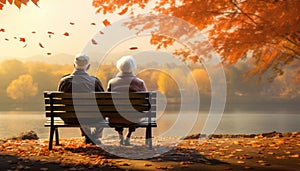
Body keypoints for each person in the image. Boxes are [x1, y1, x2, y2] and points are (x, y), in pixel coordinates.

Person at [58, 54, 104, 145]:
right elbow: (103, 101)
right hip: (92, 118)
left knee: (78, 111)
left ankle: (88, 136)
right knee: (103, 111)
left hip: (70, 118)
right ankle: (94, 136)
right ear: (89, 67)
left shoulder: (65, 81)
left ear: (74, 65)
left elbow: (60, 101)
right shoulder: (95, 81)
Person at [107, 55, 147, 146]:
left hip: (115, 118)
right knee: (135, 113)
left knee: (117, 112)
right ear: (133, 67)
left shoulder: (112, 82)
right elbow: (146, 102)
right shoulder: (139, 83)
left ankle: (120, 135)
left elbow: (108, 100)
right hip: (133, 119)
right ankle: (128, 136)